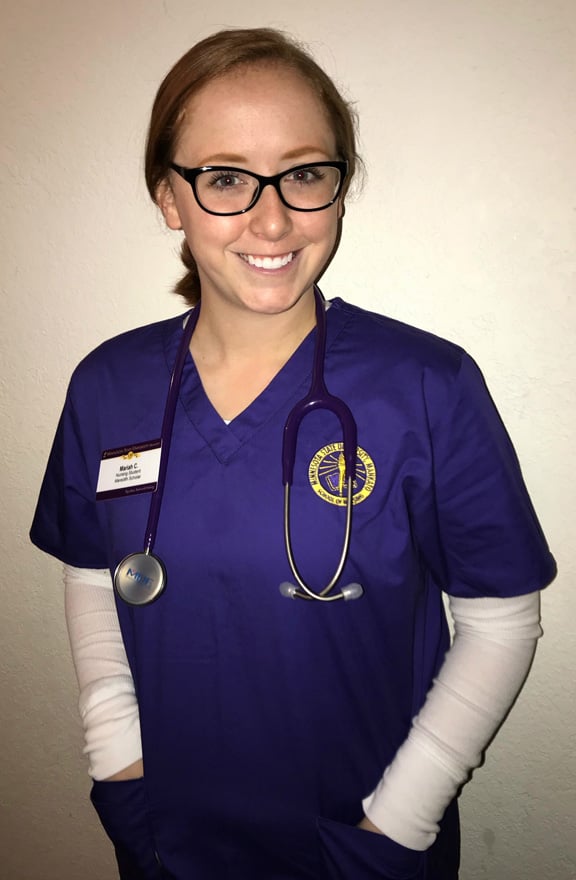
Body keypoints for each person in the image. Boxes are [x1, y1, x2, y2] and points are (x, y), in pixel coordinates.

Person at [30, 27, 556, 880]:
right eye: (226, 179)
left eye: (305, 174)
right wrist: (114, 749)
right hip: (164, 833)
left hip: (359, 842)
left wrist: (403, 817)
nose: (272, 218)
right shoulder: (108, 384)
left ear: (339, 189)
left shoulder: (427, 383)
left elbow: (501, 618)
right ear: (169, 197)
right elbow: (94, 572)